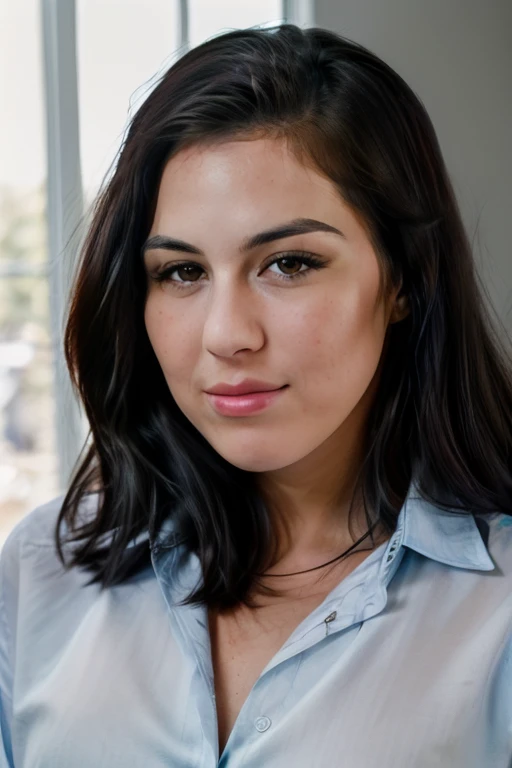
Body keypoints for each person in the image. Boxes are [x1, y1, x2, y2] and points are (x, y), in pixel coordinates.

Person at [1, 22, 512, 768]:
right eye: (181, 272)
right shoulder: (41, 572)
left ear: (404, 279)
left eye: (290, 263)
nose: (227, 335)